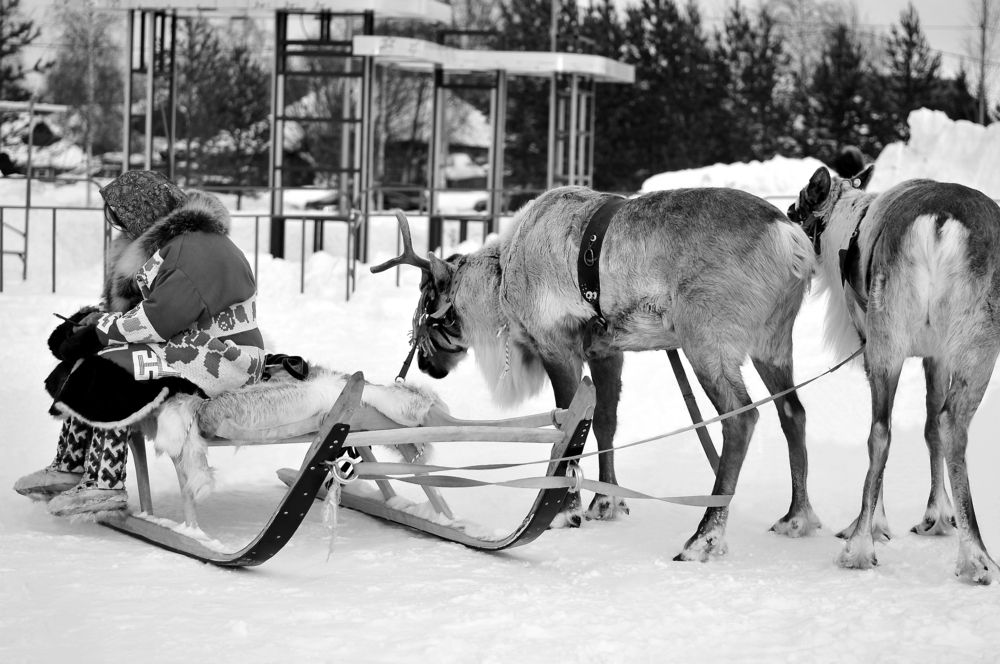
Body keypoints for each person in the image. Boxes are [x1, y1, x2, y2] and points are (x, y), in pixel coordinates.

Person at [14, 170, 265, 516]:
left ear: (141, 213)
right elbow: (155, 313)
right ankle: (70, 465)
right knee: (101, 359)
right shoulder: (183, 243)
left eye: (123, 219)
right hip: (199, 350)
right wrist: (97, 324)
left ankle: (106, 483)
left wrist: (102, 330)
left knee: (114, 372)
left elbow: (160, 318)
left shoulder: (194, 248)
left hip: (225, 360)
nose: (121, 229)